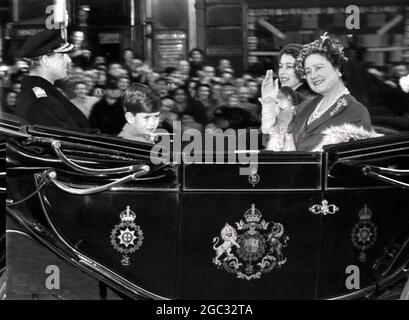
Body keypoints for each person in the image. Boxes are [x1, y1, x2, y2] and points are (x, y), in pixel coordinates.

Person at [261, 33, 372, 152]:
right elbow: (272, 140)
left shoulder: (356, 112)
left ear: (337, 69)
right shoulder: (304, 108)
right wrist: (268, 103)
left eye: (319, 68)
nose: (313, 75)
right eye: (308, 71)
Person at [15, 29, 89, 130]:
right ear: (46, 61)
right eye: (62, 55)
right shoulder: (40, 102)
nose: (69, 60)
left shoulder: (45, 92)